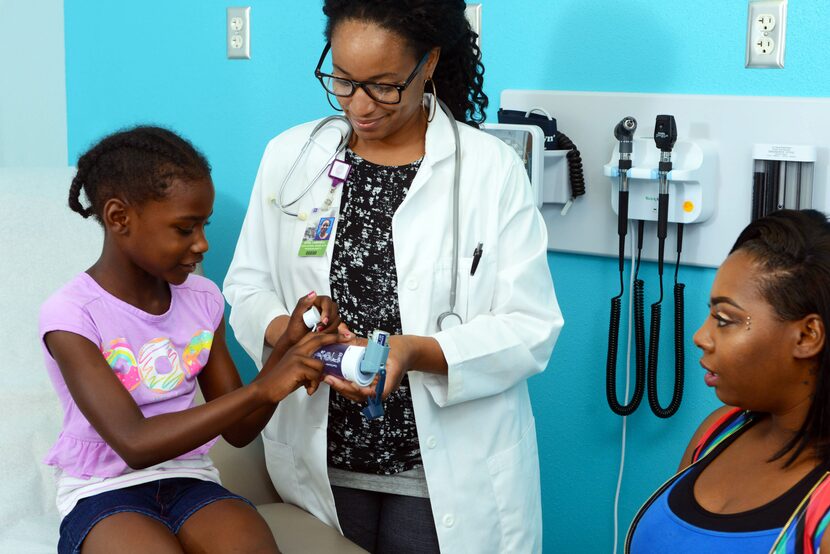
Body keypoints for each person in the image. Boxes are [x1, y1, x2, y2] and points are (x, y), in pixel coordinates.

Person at [223, 1, 563, 552]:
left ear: (427, 64)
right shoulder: (292, 156)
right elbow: (245, 284)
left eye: (383, 85)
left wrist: (413, 351)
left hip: (443, 470)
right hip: (323, 457)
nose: (359, 105)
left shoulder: (489, 169)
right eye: (343, 80)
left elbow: (531, 326)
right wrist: (291, 333)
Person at [42, 125, 344, 554]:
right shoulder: (71, 314)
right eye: (185, 228)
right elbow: (135, 443)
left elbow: (240, 430)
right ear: (118, 217)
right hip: (103, 492)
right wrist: (263, 385)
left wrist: (285, 353)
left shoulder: (202, 299)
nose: (202, 244)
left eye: (204, 225)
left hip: (190, 481)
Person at [626, 209, 830, 553]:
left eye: (724, 319)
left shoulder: (821, 510)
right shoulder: (716, 432)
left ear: (807, 336)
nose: (700, 337)